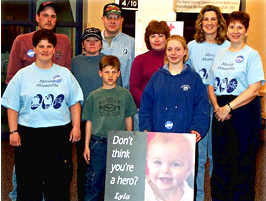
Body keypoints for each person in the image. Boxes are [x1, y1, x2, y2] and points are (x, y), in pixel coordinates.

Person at [1, 29, 83, 201]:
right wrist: (13, 131)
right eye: (41, 46)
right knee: (29, 183)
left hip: (59, 134)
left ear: (54, 50)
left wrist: (76, 127)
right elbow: (12, 106)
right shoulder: (22, 75)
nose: (45, 50)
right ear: (34, 49)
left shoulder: (65, 74)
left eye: (49, 46)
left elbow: (74, 102)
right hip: (29, 135)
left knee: (59, 182)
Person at [208, 11, 264, 201]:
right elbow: (210, 84)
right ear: (227, 29)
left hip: (243, 113)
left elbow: (254, 88)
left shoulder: (252, 55)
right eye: (232, 26)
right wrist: (217, 106)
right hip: (220, 113)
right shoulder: (220, 54)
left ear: (246, 31)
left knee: (242, 164)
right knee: (221, 162)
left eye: (240, 27)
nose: (235, 31)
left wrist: (229, 107)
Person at [186, 5, 230, 201]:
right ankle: (198, 197)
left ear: (219, 23)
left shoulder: (228, 46)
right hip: (197, 106)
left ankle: (216, 196)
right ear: (200, 23)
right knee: (198, 156)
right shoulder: (192, 46)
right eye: (206, 19)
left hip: (220, 106)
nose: (210, 23)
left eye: (213, 19)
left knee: (217, 156)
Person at [82, 55, 137, 201]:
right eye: (107, 72)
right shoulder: (93, 96)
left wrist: (129, 140)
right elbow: (89, 122)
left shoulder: (125, 94)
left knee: (117, 182)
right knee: (94, 180)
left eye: (114, 72)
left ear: (119, 73)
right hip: (97, 143)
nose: (110, 75)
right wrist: (86, 146)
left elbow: (128, 118)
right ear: (100, 73)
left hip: (119, 143)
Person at [139, 35, 209, 141]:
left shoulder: (194, 78)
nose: (173, 53)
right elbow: (145, 107)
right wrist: (146, 128)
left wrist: (197, 128)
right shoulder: (156, 77)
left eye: (178, 49)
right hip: (158, 137)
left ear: (185, 51)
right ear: (166, 52)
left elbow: (202, 107)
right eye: (170, 49)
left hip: (185, 138)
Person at [71, 27, 104, 201]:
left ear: (101, 43)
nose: (92, 43)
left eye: (96, 40)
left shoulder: (108, 61)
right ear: (83, 44)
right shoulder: (74, 62)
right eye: (88, 40)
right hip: (82, 119)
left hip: (105, 120)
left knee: (102, 164)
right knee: (83, 164)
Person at [6, 0, 71, 84]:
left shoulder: (64, 41)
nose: (49, 19)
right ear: (37, 17)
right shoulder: (21, 40)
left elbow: (67, 74)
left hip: (55, 92)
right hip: (29, 93)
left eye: (53, 16)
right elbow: (11, 77)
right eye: (45, 15)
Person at [130, 20, 170, 130]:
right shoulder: (139, 60)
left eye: (160, 36)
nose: (156, 39)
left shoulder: (173, 59)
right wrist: (148, 103)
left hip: (168, 112)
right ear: (148, 38)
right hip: (143, 112)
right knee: (143, 146)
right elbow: (134, 88)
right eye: (153, 36)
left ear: (166, 38)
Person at [145, 133, 195, 201]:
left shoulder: (190, 196)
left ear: (189, 169)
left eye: (175, 164)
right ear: (147, 163)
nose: (165, 170)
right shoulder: (140, 191)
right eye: (158, 162)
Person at [101, 3, 135, 89]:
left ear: (122, 20)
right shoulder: (94, 42)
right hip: (99, 96)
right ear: (103, 19)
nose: (113, 21)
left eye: (116, 17)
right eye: (109, 17)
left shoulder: (131, 43)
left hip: (123, 96)